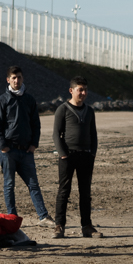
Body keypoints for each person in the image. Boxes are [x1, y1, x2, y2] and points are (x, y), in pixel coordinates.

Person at [0, 66, 56, 226]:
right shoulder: (2, 101)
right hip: (9, 151)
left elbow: (36, 124)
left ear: (23, 78)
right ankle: (12, 217)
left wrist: (34, 144)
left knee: (33, 184)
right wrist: (3, 147)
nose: (16, 80)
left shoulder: (29, 100)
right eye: (13, 78)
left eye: (19, 77)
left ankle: (43, 216)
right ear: (8, 80)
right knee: (9, 185)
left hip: (26, 151)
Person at [52, 76, 101, 239]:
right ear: (71, 91)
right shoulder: (63, 109)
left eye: (85, 90)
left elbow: (93, 134)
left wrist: (92, 153)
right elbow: (56, 134)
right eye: (80, 90)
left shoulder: (90, 111)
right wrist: (63, 154)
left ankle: (87, 226)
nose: (83, 93)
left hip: (86, 156)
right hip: (68, 156)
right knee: (64, 191)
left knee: (85, 192)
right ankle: (59, 226)